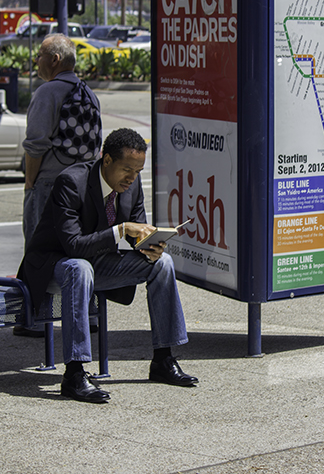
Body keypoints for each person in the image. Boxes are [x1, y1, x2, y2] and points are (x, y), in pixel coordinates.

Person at [17, 128, 198, 403]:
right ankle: (75, 374)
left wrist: (149, 246)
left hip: (96, 265)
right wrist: (121, 230)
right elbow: (73, 245)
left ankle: (163, 359)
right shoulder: (71, 182)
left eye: (138, 171)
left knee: (164, 264)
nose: (132, 178)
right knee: (80, 267)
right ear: (107, 160)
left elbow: (136, 232)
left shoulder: (132, 186)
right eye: (127, 169)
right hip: (54, 265)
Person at [15, 33, 102, 338]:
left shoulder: (47, 92)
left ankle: (36, 318)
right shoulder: (90, 94)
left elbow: (36, 145)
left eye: (39, 55)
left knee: (39, 249)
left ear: (54, 60)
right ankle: (89, 316)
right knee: (79, 248)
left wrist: (29, 182)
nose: (35, 60)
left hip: (50, 182)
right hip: (82, 186)